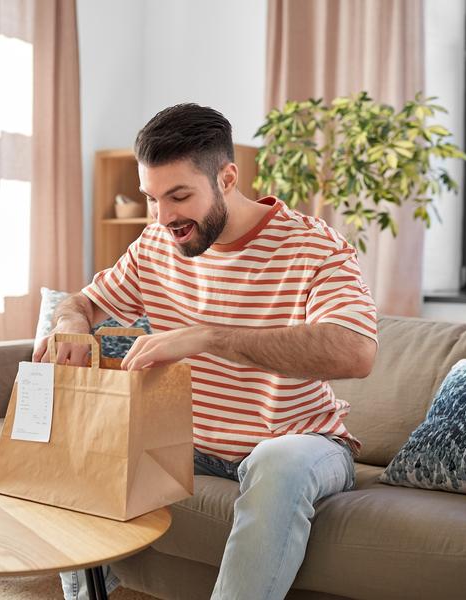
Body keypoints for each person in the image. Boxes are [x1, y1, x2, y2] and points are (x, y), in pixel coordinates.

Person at [37, 103, 378, 600]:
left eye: (179, 196)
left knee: (276, 463)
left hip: (302, 441)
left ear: (227, 177)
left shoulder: (314, 247)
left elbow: (355, 351)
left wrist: (210, 336)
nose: (164, 217)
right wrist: (69, 324)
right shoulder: (155, 243)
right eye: (152, 199)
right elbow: (84, 303)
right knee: (86, 439)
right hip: (185, 444)